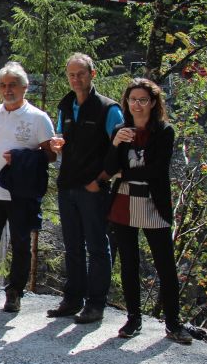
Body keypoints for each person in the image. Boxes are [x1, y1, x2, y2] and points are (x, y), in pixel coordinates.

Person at [105, 79, 193, 344]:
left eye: (143, 100)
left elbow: (156, 169)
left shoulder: (164, 131)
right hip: (123, 201)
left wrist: (124, 173)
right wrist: (115, 144)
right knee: (128, 262)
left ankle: (173, 323)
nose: (137, 105)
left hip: (153, 202)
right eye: (133, 100)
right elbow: (110, 168)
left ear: (153, 103)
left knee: (164, 264)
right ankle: (133, 318)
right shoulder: (121, 130)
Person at [0, 62, 55, 313]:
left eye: (13, 85)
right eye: (3, 85)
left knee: (20, 244)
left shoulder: (38, 118)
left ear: (24, 87)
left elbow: (51, 155)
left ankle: (14, 293)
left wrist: (21, 157)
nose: (7, 90)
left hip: (21, 192)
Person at [46, 54, 124, 324]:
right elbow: (61, 137)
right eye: (71, 74)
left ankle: (95, 304)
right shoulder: (66, 105)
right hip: (68, 185)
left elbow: (118, 151)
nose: (76, 79)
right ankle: (72, 299)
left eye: (81, 74)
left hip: (93, 189)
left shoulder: (108, 109)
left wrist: (99, 180)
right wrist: (56, 144)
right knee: (72, 246)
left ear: (93, 74)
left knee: (97, 247)